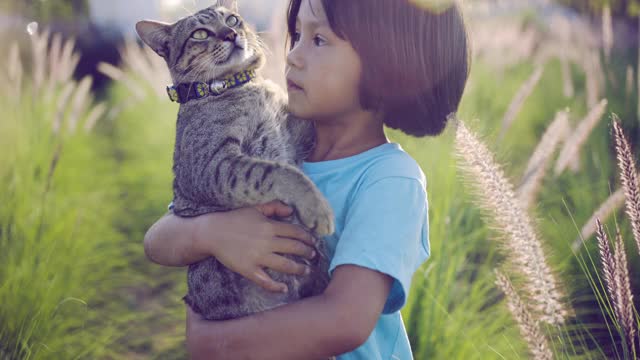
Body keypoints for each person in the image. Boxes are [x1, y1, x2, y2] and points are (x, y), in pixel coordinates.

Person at [143, 0, 470, 358]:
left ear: (388, 65)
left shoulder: (390, 180)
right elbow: (159, 238)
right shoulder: (272, 142)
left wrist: (214, 343)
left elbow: (345, 319)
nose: (293, 56)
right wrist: (209, 233)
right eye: (297, 34)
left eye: (318, 41)